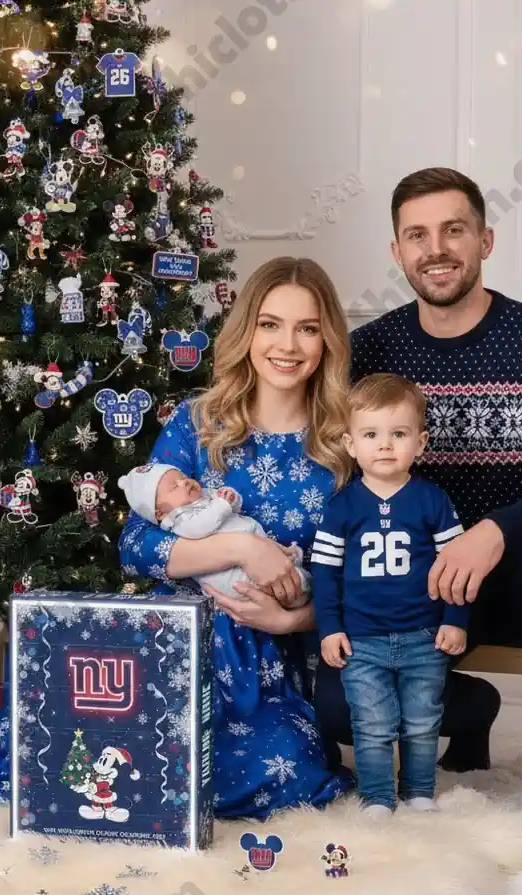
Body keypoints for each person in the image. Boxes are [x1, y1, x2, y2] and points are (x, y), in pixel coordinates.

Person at [315, 167, 522, 842]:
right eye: (417, 235)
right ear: (397, 252)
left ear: (484, 240)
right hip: (401, 594)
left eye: (454, 230)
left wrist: (494, 530)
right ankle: (472, 709)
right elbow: (322, 469)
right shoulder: (369, 353)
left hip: (517, 578)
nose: (437, 249)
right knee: (336, 711)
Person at [118, 257, 355, 818]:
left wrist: (295, 620)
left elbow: (369, 574)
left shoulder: (347, 440)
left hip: (272, 659)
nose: (288, 345)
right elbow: (135, 547)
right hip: (180, 637)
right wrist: (242, 547)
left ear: (328, 340)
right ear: (246, 330)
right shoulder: (197, 421)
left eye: (308, 328)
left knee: (290, 768)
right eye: (270, 324)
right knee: (111, 755)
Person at [312, 373, 469, 816]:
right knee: (372, 723)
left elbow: (457, 568)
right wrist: (330, 629)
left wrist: (456, 620)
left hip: (424, 635)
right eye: (371, 434)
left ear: (420, 443)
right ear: (349, 443)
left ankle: (419, 792)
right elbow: (325, 573)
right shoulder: (342, 506)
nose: (385, 445)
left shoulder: (432, 500)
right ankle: (378, 797)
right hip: (362, 640)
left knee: (422, 722)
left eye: (398, 434)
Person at [116, 464, 311, 605]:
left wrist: (230, 498)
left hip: (256, 545)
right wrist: (221, 505)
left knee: (279, 562)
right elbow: (199, 527)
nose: (184, 483)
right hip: (231, 576)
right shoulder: (178, 520)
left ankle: (294, 572)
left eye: (183, 477)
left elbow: (232, 508)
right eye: (174, 487)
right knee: (259, 585)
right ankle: (291, 593)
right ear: (159, 513)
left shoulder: (204, 497)